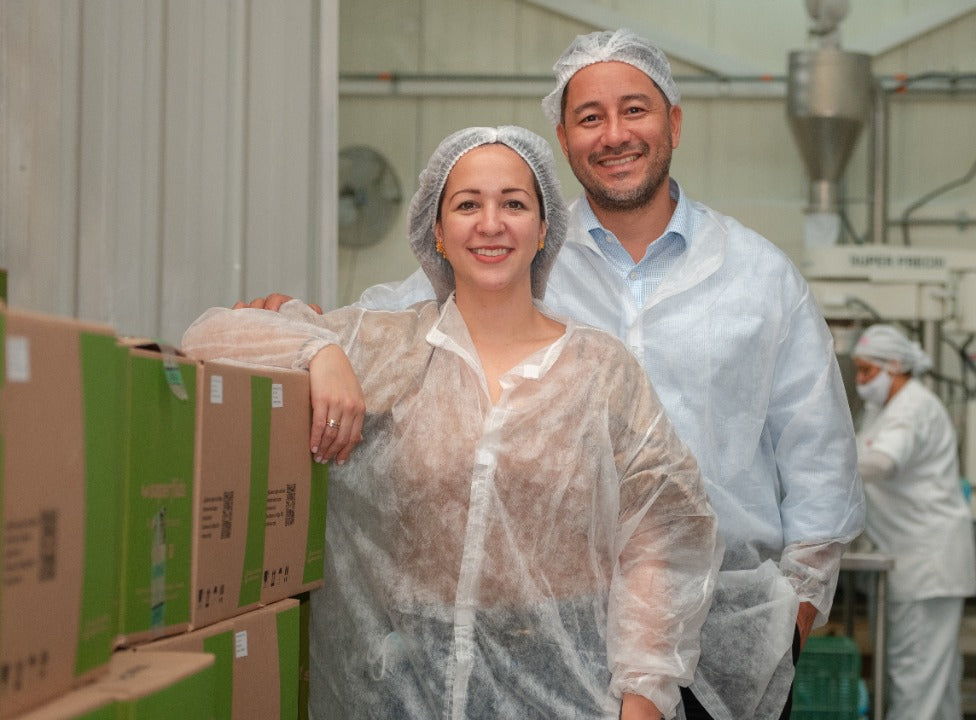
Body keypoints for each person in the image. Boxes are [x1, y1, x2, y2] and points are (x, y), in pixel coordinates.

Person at [243, 29, 864, 720]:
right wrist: (310, 340)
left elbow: (822, 474)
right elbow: (389, 322)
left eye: (634, 110)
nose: (614, 134)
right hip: (571, 647)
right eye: (590, 117)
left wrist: (789, 628)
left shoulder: (761, 278)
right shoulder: (517, 252)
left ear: (674, 122)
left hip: (731, 649)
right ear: (564, 139)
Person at [183, 125, 722, 720]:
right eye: (467, 205)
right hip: (399, 687)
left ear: (544, 229)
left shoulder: (601, 370)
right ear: (436, 231)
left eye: (513, 204)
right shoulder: (386, 348)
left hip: (564, 687)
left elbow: (663, 537)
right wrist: (321, 353)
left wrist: (644, 696)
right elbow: (208, 337)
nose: (491, 224)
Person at [850, 324, 976, 720]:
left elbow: (881, 463)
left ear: (894, 366)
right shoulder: (882, 410)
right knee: (935, 685)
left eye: (867, 371)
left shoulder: (914, 407)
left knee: (914, 681)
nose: (860, 381)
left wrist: (819, 466)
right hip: (912, 561)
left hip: (926, 564)